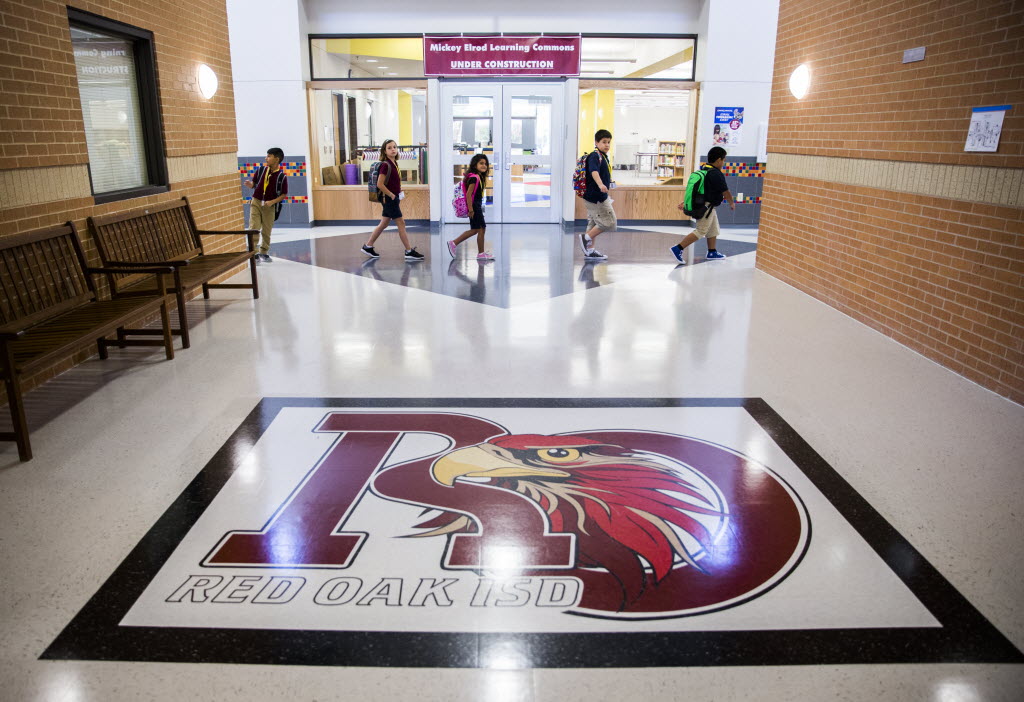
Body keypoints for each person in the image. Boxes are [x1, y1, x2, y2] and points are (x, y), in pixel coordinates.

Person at [361, 139, 424, 261]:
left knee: (383, 223)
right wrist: (391, 195)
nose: (393, 149)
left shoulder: (394, 163)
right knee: (401, 223)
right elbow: (380, 184)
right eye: (389, 148)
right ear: (384, 151)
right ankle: (408, 251)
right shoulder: (385, 165)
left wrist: (397, 193)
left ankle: (368, 246)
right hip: (389, 199)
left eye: (395, 147)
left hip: (392, 198)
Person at [671, 146, 735, 264]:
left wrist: (686, 202)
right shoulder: (716, 173)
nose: (724, 163)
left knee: (713, 230)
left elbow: (699, 190)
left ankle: (712, 252)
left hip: (709, 206)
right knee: (701, 231)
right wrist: (731, 202)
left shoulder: (705, 170)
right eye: (724, 160)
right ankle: (678, 248)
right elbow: (726, 191)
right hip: (707, 207)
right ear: (719, 160)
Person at [244, 147, 288, 262]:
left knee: (266, 231)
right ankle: (254, 252)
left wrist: (272, 202)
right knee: (254, 227)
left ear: (276, 159)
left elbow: (283, 194)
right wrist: (251, 184)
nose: (266, 158)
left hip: (269, 206)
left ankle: (264, 252)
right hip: (256, 202)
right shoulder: (261, 170)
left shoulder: (281, 177)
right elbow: (255, 183)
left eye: (269, 156)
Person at [447, 154, 493, 261]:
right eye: (481, 163)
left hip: (476, 206)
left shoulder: (477, 176)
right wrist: (471, 209)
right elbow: (468, 194)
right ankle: (454, 243)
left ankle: (481, 253)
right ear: (474, 164)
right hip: (474, 208)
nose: (484, 165)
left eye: (485, 164)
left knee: (481, 228)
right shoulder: (474, 177)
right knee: (476, 229)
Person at [578, 129, 615, 261]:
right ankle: (585, 238)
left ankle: (590, 251)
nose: (607, 145)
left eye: (609, 142)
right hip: (596, 197)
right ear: (596, 142)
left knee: (593, 223)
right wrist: (600, 184)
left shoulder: (603, 156)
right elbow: (594, 171)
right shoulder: (595, 156)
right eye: (604, 142)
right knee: (609, 222)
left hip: (594, 196)